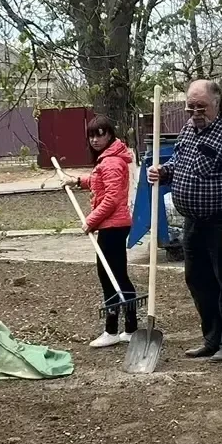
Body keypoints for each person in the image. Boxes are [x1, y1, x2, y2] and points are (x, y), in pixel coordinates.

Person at [147, 79, 222, 361]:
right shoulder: (188, 129)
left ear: (217, 103)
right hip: (193, 222)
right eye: (190, 107)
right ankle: (212, 338)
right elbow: (181, 163)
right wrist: (164, 172)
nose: (195, 112)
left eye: (201, 107)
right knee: (198, 281)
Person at [71, 116, 137, 348]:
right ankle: (129, 328)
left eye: (100, 134)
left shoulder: (111, 161)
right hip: (114, 225)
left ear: (109, 135)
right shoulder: (110, 159)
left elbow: (112, 199)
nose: (95, 140)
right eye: (91, 135)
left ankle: (113, 330)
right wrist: (77, 181)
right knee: (116, 275)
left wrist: (90, 221)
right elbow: (99, 182)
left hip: (113, 226)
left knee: (110, 276)